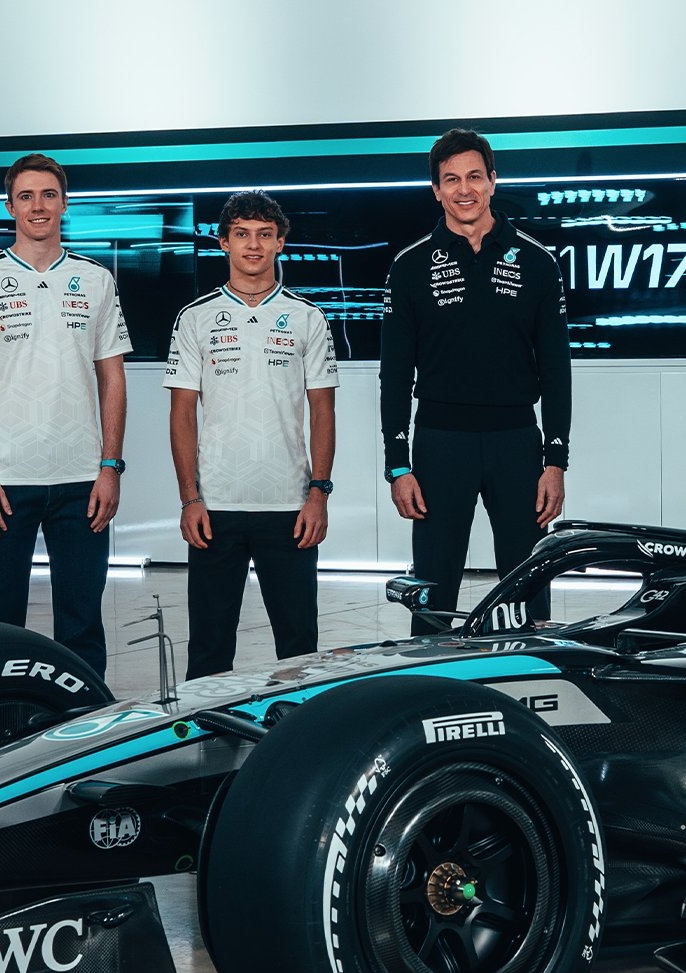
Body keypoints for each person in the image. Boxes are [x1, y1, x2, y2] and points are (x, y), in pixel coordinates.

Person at [0, 152, 132, 676]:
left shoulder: (96, 279)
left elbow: (112, 379)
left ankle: (87, 740)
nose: (38, 206)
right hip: (4, 483)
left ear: (64, 203)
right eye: (26, 196)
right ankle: (0, 732)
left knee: (82, 625)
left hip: (82, 481)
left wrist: (110, 467)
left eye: (49, 195)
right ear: (10, 206)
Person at [381, 127, 571, 635]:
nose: (464, 189)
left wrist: (555, 461)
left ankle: (530, 689)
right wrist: (397, 465)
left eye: (474, 176)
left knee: (527, 588)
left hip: (518, 447)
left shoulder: (536, 261)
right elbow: (395, 374)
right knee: (433, 591)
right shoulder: (410, 266)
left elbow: (556, 369)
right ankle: (431, 696)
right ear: (436, 191)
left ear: (492, 181)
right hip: (440, 446)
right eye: (451, 180)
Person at [165, 191, 338, 679]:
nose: (254, 245)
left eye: (265, 235)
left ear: (281, 243)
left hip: (289, 506)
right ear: (223, 243)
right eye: (242, 234)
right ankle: (207, 743)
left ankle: (301, 740)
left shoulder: (307, 318)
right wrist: (189, 499)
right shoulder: (195, 318)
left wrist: (318, 494)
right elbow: (182, 414)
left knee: (300, 647)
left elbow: (322, 411)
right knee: (209, 650)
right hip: (215, 506)